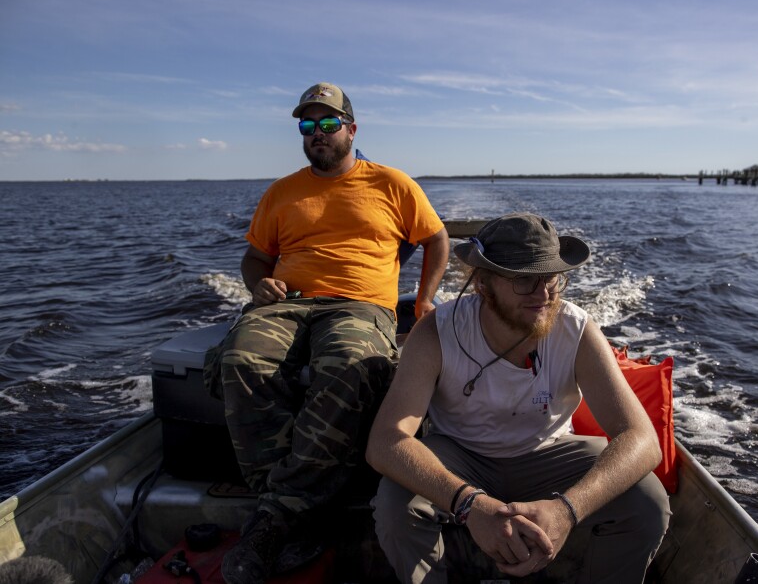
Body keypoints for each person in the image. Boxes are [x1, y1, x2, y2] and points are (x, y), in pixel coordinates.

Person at [207, 82, 449, 584]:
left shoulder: (391, 183)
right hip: (288, 305)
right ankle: (288, 505)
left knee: (346, 366)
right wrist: (261, 283)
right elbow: (255, 257)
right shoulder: (282, 191)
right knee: (239, 361)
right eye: (307, 125)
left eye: (327, 123)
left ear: (351, 129)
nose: (317, 133)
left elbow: (436, 239)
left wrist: (423, 300)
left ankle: (273, 519)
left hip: (360, 306)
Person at [367, 213, 670, 583]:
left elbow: (642, 439)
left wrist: (567, 511)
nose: (543, 294)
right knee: (396, 506)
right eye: (525, 280)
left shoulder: (575, 329)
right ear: (483, 283)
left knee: (647, 503)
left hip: (548, 454)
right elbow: (385, 441)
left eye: (551, 278)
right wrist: (470, 504)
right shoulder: (436, 333)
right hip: (460, 454)